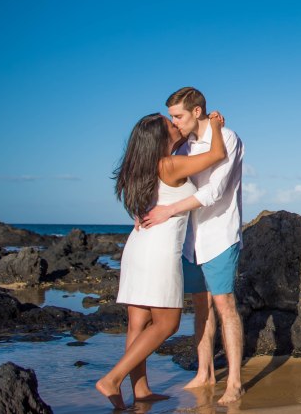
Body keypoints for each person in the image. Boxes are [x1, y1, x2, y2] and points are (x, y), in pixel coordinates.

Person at [96, 111, 227, 409]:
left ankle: (141, 391)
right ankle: (112, 379)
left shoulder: (138, 169)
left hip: (138, 247)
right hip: (159, 251)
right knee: (167, 324)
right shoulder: (169, 164)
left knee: (138, 325)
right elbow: (217, 154)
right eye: (171, 124)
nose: (176, 124)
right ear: (159, 137)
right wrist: (216, 125)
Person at [140, 87, 246, 405]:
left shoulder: (227, 138)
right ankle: (205, 373)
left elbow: (214, 192)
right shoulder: (183, 147)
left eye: (178, 116)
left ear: (196, 112)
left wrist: (168, 211)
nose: (174, 122)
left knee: (225, 306)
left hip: (220, 235)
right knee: (200, 307)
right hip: (191, 240)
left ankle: (235, 382)